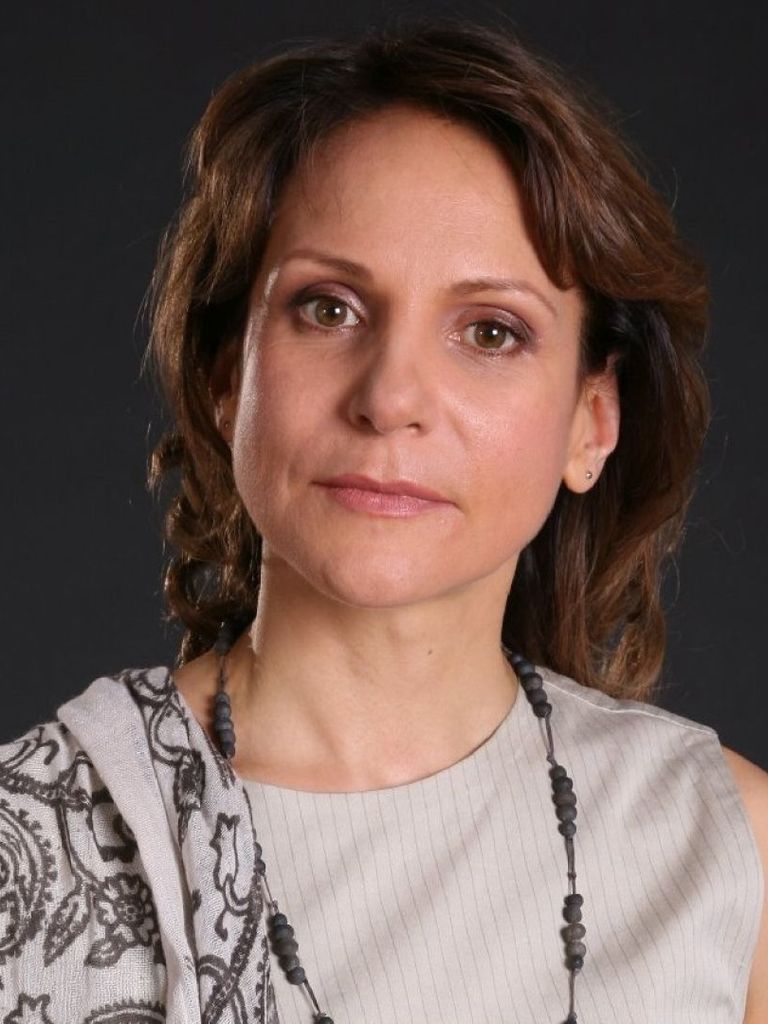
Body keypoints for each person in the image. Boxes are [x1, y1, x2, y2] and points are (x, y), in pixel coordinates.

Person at [0, 16, 765, 1024]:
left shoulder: (729, 852)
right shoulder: (30, 841)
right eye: (329, 309)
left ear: (591, 422)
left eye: (490, 331)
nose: (391, 396)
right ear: (229, 379)